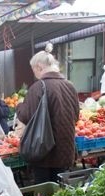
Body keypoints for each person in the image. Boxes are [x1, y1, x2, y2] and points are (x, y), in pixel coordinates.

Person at [16, 43, 79, 184]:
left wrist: (19, 105)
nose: (35, 74)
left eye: (34, 70)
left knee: (44, 194)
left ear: (39, 67)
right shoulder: (70, 86)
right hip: (66, 150)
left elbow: (25, 116)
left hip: (44, 151)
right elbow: (76, 116)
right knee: (61, 191)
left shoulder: (38, 88)